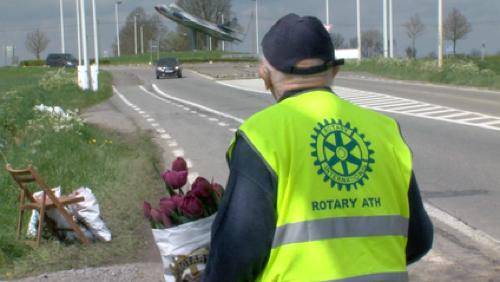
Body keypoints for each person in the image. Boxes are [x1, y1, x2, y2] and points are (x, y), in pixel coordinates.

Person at [203, 13, 433, 282]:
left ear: (264, 75)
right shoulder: (385, 131)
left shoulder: (261, 136)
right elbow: (418, 239)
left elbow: (235, 254)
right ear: (335, 70)